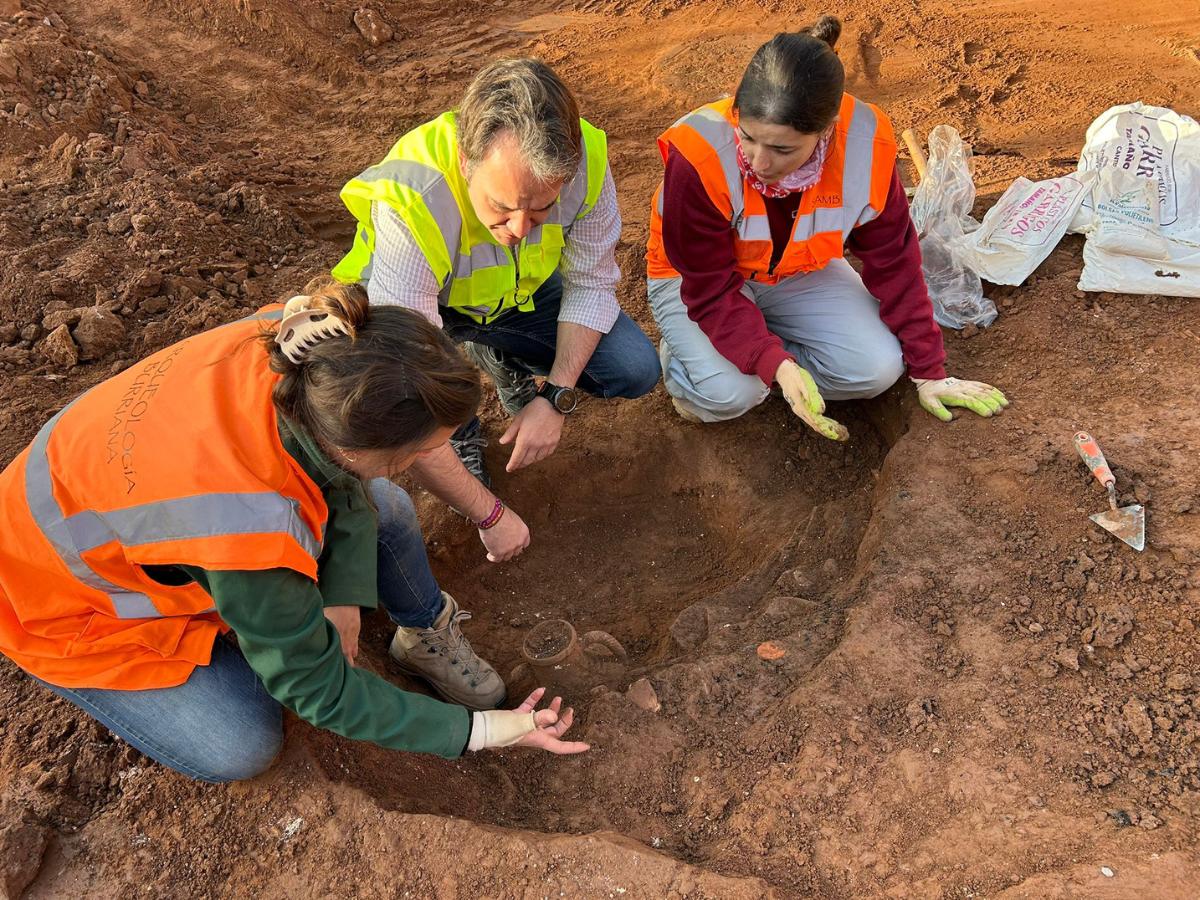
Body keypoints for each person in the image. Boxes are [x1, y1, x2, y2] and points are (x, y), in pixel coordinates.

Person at [0, 283, 587, 783]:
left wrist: (344, 593)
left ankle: (422, 635)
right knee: (242, 745)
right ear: (354, 448)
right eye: (419, 452)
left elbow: (345, 484)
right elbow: (321, 691)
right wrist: (487, 731)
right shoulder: (246, 529)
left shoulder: (309, 347)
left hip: (105, 498)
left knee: (385, 506)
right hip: (63, 606)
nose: (429, 461)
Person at [645, 16, 1007, 438]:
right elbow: (707, 288)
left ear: (826, 131)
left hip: (797, 271)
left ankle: (759, 357)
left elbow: (894, 260)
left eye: (782, 149)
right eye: (748, 137)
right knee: (728, 394)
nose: (759, 163)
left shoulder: (865, 146)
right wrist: (773, 362)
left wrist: (929, 372)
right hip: (694, 281)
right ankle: (695, 362)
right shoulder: (699, 155)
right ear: (737, 113)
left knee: (875, 370)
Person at [332, 57, 659, 510]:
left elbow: (590, 284)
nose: (522, 228)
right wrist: (488, 516)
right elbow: (408, 369)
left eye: (542, 207)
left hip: (516, 295)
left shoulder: (586, 165)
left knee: (633, 367)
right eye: (502, 207)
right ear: (466, 162)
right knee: (409, 401)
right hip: (412, 316)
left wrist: (555, 396)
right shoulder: (413, 198)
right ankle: (460, 429)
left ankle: (497, 352)